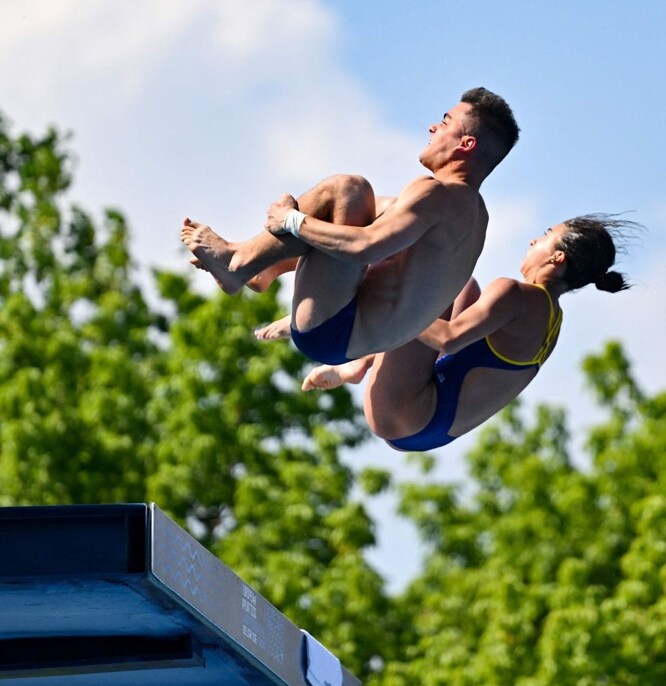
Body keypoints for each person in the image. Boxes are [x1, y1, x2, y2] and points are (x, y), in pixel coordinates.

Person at [180, 87, 519, 365]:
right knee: (362, 206)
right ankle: (256, 266)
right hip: (349, 338)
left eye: (445, 122)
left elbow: (363, 247)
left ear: (466, 144)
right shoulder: (475, 215)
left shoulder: (436, 194)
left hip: (333, 329)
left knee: (349, 188)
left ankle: (240, 265)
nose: (433, 128)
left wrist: (291, 220)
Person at [293, 215, 640, 451]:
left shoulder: (516, 294)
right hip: (428, 430)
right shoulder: (552, 318)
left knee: (425, 274)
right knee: (460, 284)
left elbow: (448, 339)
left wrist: (380, 305)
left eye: (546, 236)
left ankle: (354, 350)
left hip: (400, 411)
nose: (534, 239)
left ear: (557, 258)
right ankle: (361, 364)